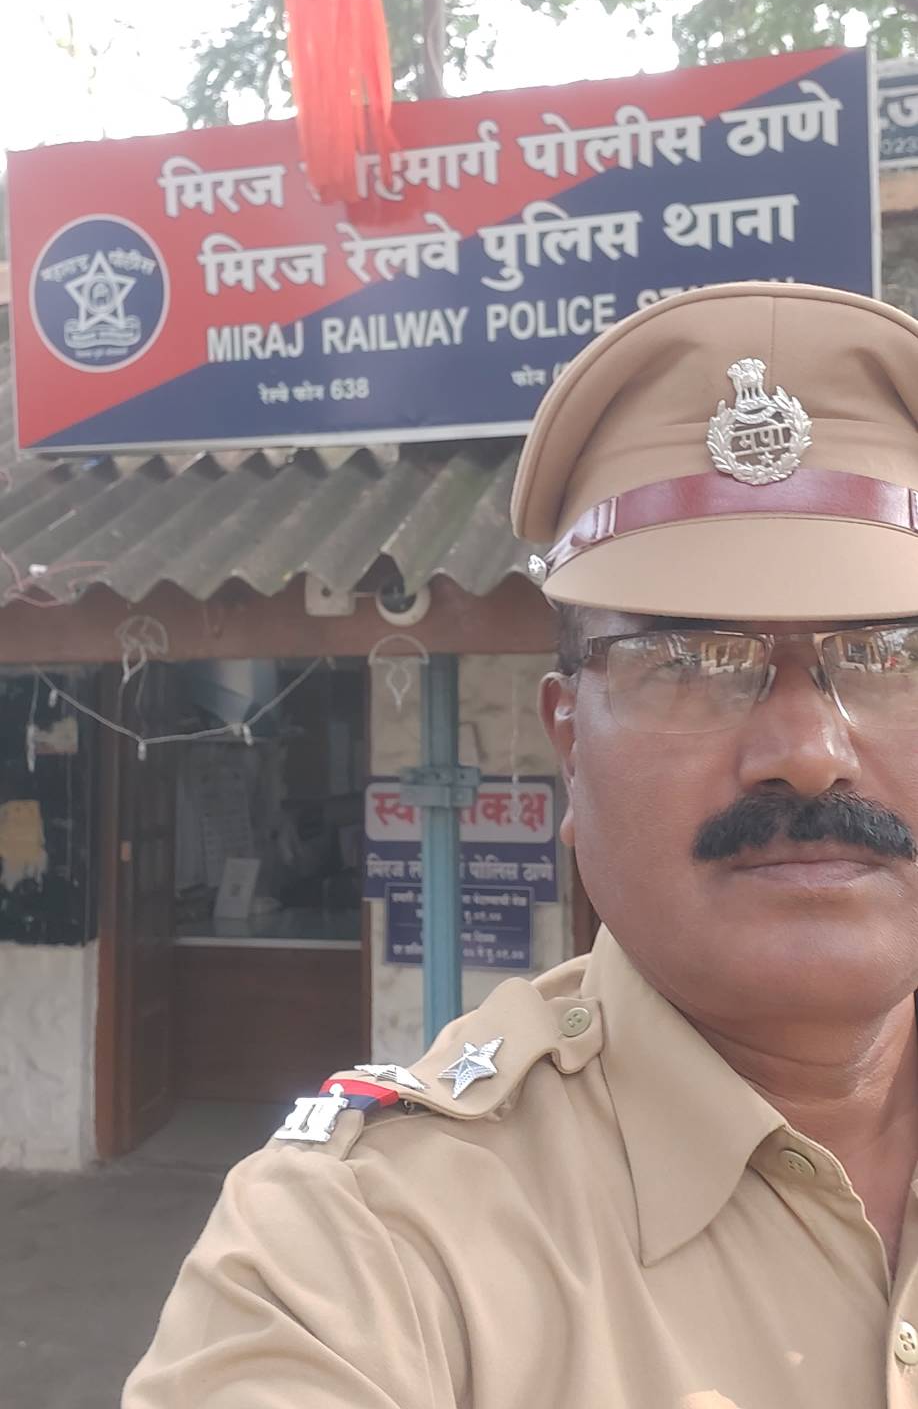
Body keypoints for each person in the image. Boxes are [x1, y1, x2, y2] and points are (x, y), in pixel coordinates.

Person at [124, 281, 918, 1407]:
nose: (806, 752)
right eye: (690, 661)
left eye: (891, 653)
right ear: (569, 746)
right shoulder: (364, 1249)